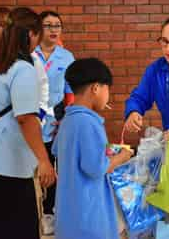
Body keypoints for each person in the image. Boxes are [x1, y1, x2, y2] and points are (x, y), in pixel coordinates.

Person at [0, 7, 56, 239]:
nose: (39, 41)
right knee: (21, 228)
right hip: (10, 163)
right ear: (29, 34)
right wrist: (44, 160)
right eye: (38, 34)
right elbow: (26, 118)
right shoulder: (23, 69)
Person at [52, 58, 133, 239]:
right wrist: (122, 157)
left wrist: (108, 150)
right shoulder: (89, 122)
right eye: (107, 89)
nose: (108, 95)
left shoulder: (67, 120)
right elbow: (96, 168)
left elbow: (66, 151)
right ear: (95, 88)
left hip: (69, 217)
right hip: (90, 218)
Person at [0, 7, 52, 124]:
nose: (4, 29)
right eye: (0, 25)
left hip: (17, 126)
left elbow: (42, 88)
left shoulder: (32, 59)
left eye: (7, 25)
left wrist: (39, 116)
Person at [34, 10, 75, 234]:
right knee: (33, 168)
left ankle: (50, 212)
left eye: (57, 26)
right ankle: (33, 210)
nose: (53, 30)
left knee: (53, 167)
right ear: (39, 29)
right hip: (31, 119)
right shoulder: (30, 55)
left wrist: (67, 116)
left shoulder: (66, 57)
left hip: (56, 120)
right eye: (48, 25)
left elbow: (71, 91)